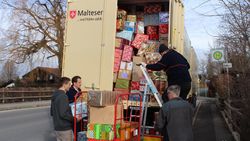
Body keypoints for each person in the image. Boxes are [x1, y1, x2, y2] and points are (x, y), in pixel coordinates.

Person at [51, 77, 80, 141]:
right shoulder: (63, 96)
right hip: (65, 129)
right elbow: (63, 114)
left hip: (57, 128)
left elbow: (52, 112)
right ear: (64, 84)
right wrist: (75, 119)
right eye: (69, 84)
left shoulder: (54, 95)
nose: (70, 86)